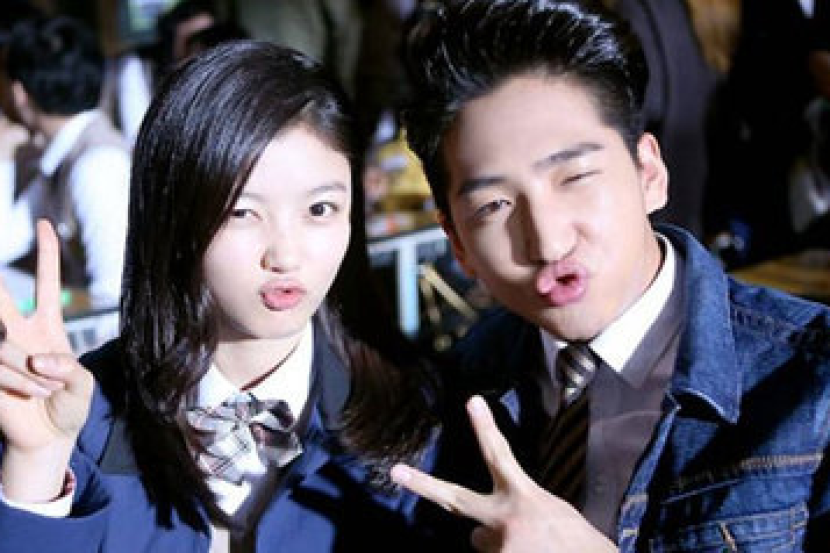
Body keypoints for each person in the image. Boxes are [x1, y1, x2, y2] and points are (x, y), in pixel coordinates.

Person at [389, 1, 830, 551]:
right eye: (494, 206)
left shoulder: (812, 384)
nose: (547, 242)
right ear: (457, 242)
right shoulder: (455, 395)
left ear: (649, 173)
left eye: (575, 177)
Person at [0, 41, 438, 551]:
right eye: (241, 212)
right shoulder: (75, 416)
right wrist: (38, 464)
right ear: (175, 218)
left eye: (320, 209)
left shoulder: (417, 417)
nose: (285, 256)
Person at [0, 15, 130, 308]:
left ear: (19, 93)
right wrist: (5, 154)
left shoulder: (97, 164)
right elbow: (5, 243)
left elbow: (113, 297)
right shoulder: (66, 155)